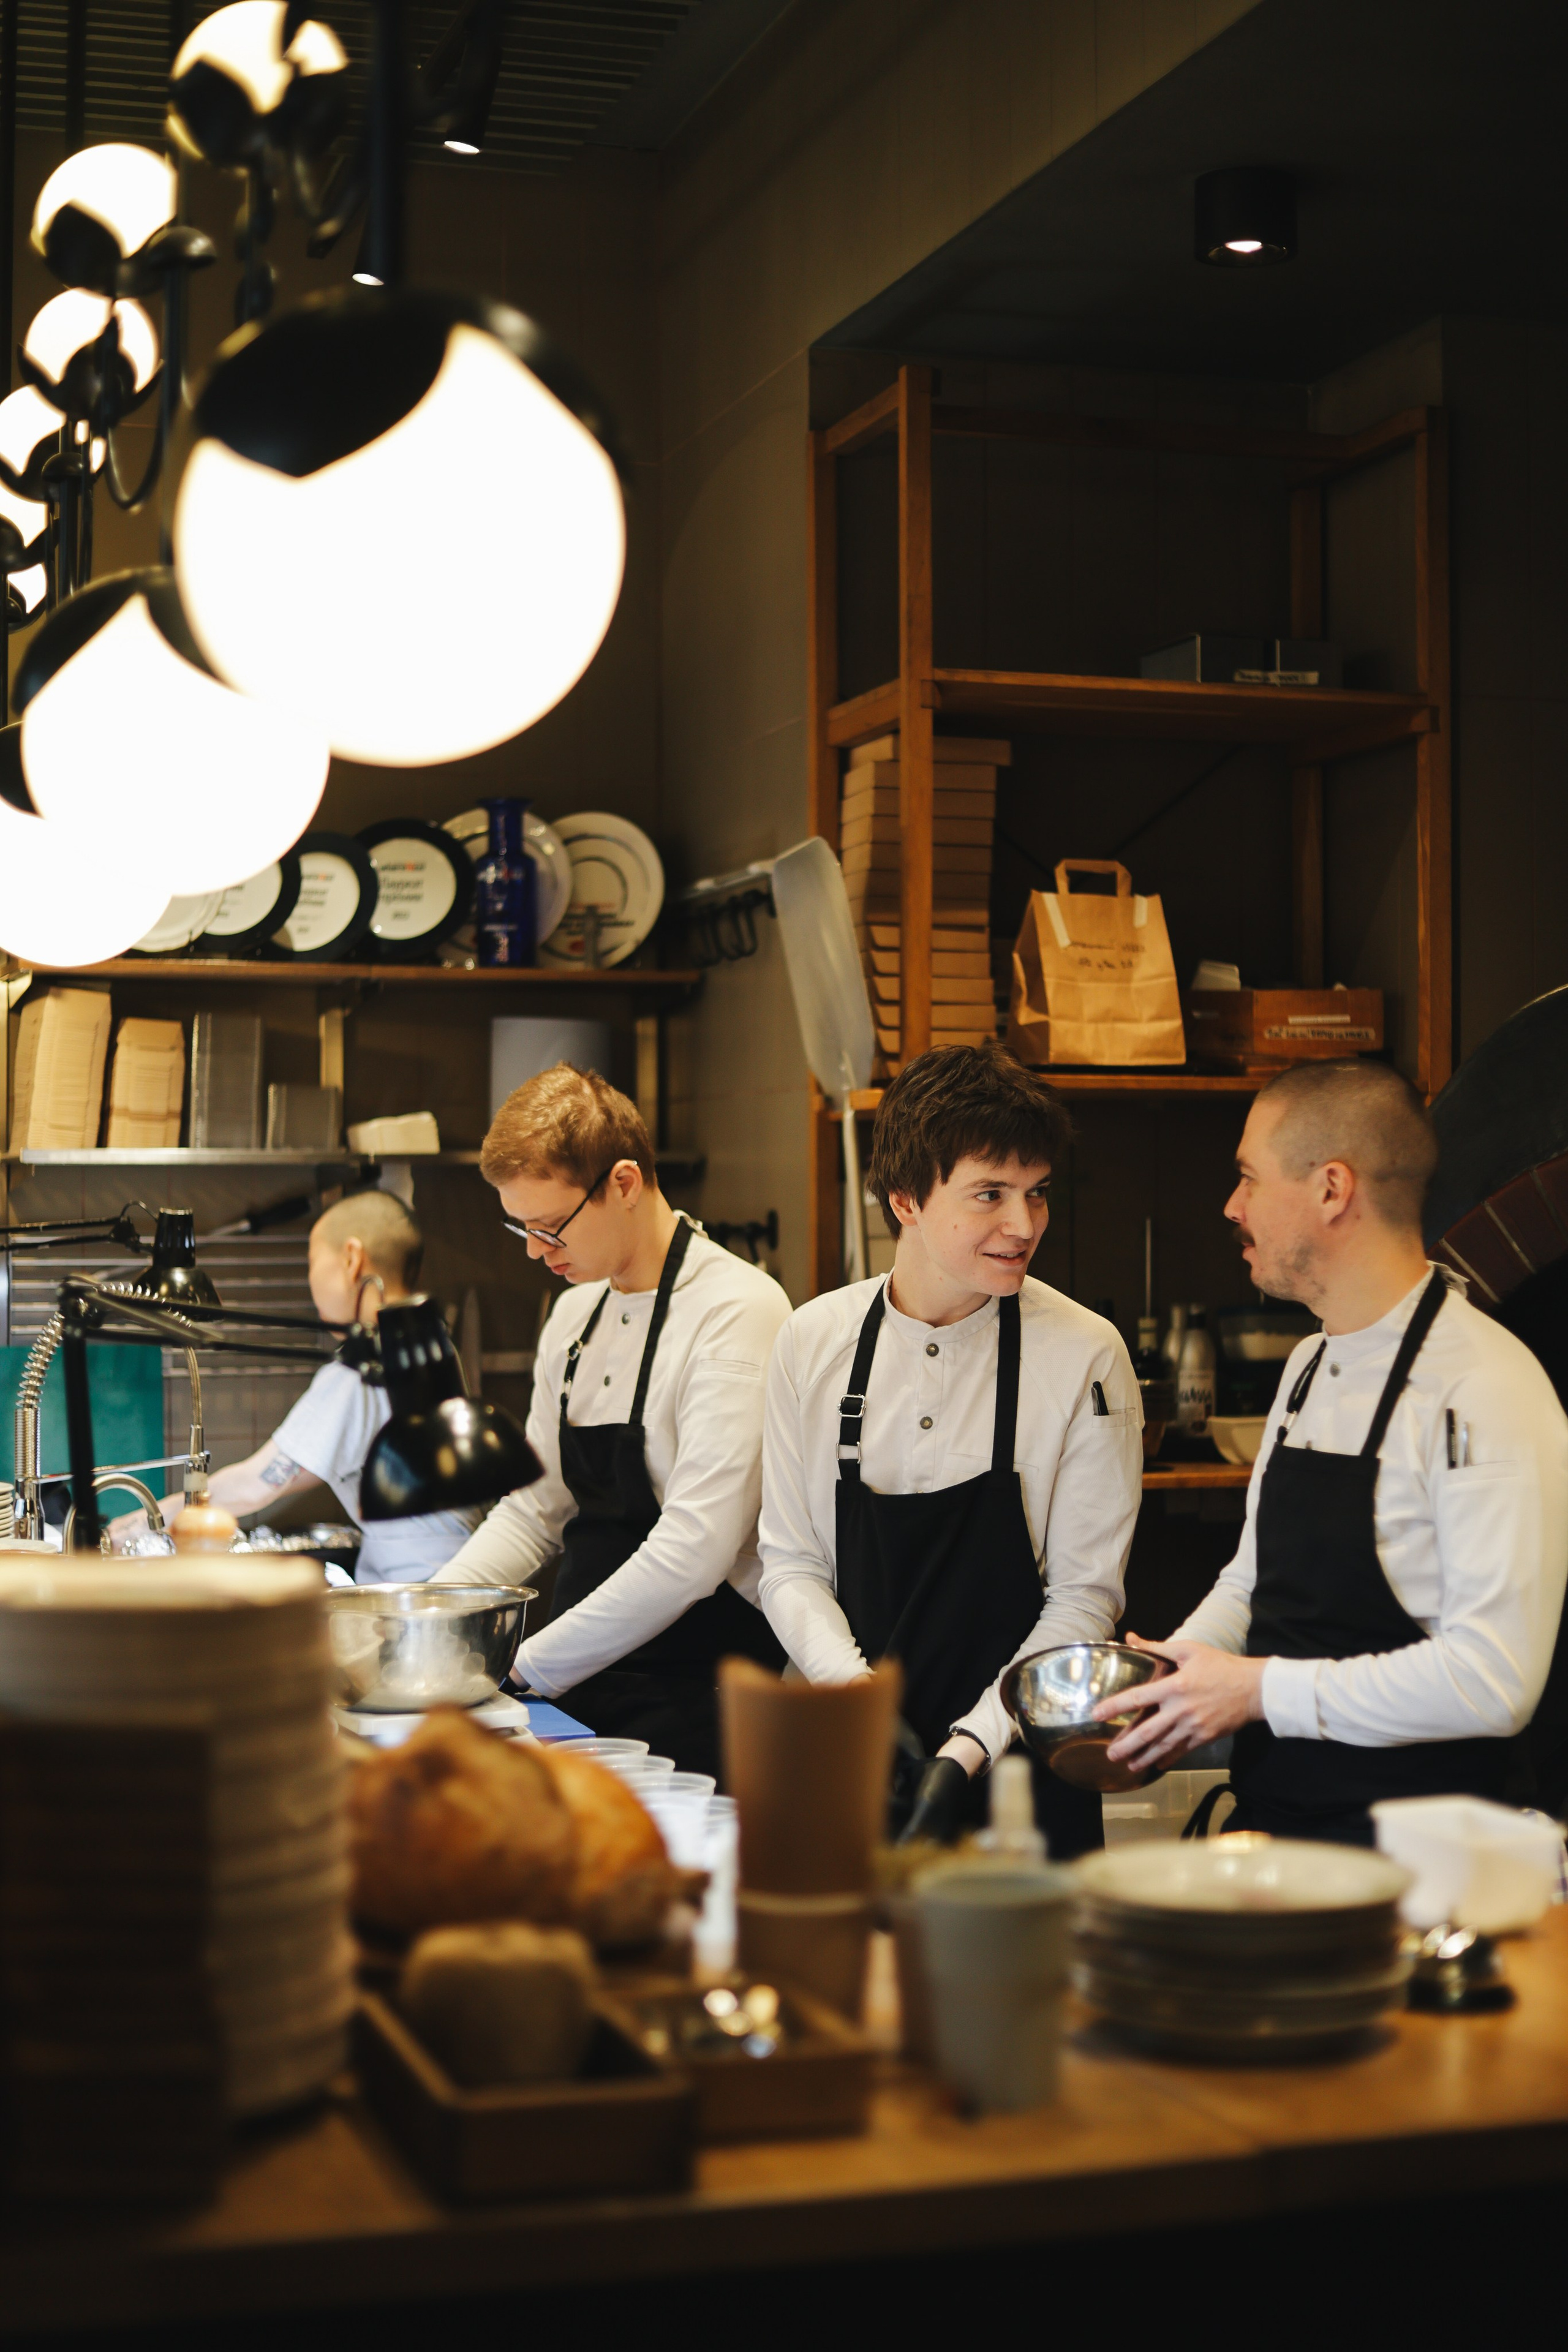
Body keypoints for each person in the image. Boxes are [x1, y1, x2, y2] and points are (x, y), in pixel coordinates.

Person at [1096, 1058, 1568, 1844]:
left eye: (1249, 1178)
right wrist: (1181, 1670)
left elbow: (1493, 1681)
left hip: (1424, 1866)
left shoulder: (1484, 1387)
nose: (1231, 1205)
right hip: (1281, 1835)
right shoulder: (1308, 1365)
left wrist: (1254, 1692)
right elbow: (1253, 1579)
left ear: (1331, 1189)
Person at [757, 1042, 1144, 1856]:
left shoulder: (1086, 1353)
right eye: (990, 1194)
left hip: (1022, 1764)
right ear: (905, 1198)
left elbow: (1084, 1599)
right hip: (852, 1756)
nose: (1024, 1225)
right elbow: (790, 1566)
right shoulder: (812, 1341)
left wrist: (967, 1749)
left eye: (1037, 1193)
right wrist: (862, 1707)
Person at [431, 1063, 790, 1777]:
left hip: (698, 1691)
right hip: (578, 1683)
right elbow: (534, 1512)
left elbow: (694, 1549)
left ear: (624, 1183)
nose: (533, 1250)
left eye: (549, 1227)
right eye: (520, 1227)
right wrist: (431, 1617)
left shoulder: (737, 1311)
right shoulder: (574, 1314)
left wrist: (521, 1669)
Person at [112, 1191, 480, 1583]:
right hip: (454, 1569)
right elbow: (296, 1467)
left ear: (352, 1259)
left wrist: (144, 1522)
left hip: (425, 1586)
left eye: (312, 1261)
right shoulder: (429, 1347)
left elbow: (257, 1485)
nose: (310, 1279)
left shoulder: (364, 1369)